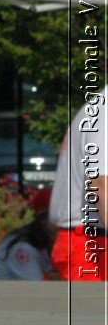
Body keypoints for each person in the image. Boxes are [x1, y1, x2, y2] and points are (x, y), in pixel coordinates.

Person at [50, 92, 106, 281]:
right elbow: (101, 183)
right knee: (94, 310)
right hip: (91, 246)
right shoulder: (105, 110)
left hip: (89, 240)